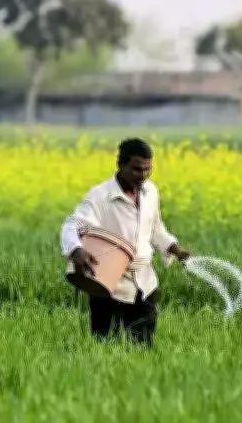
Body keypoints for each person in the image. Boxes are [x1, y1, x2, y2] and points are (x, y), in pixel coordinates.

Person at [59, 137, 191, 347]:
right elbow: (71, 225)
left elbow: (155, 228)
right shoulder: (100, 196)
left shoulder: (150, 192)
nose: (143, 175)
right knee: (105, 346)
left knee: (143, 347)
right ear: (120, 164)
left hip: (144, 285)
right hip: (107, 285)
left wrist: (174, 248)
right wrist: (76, 250)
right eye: (137, 169)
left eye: (148, 169)